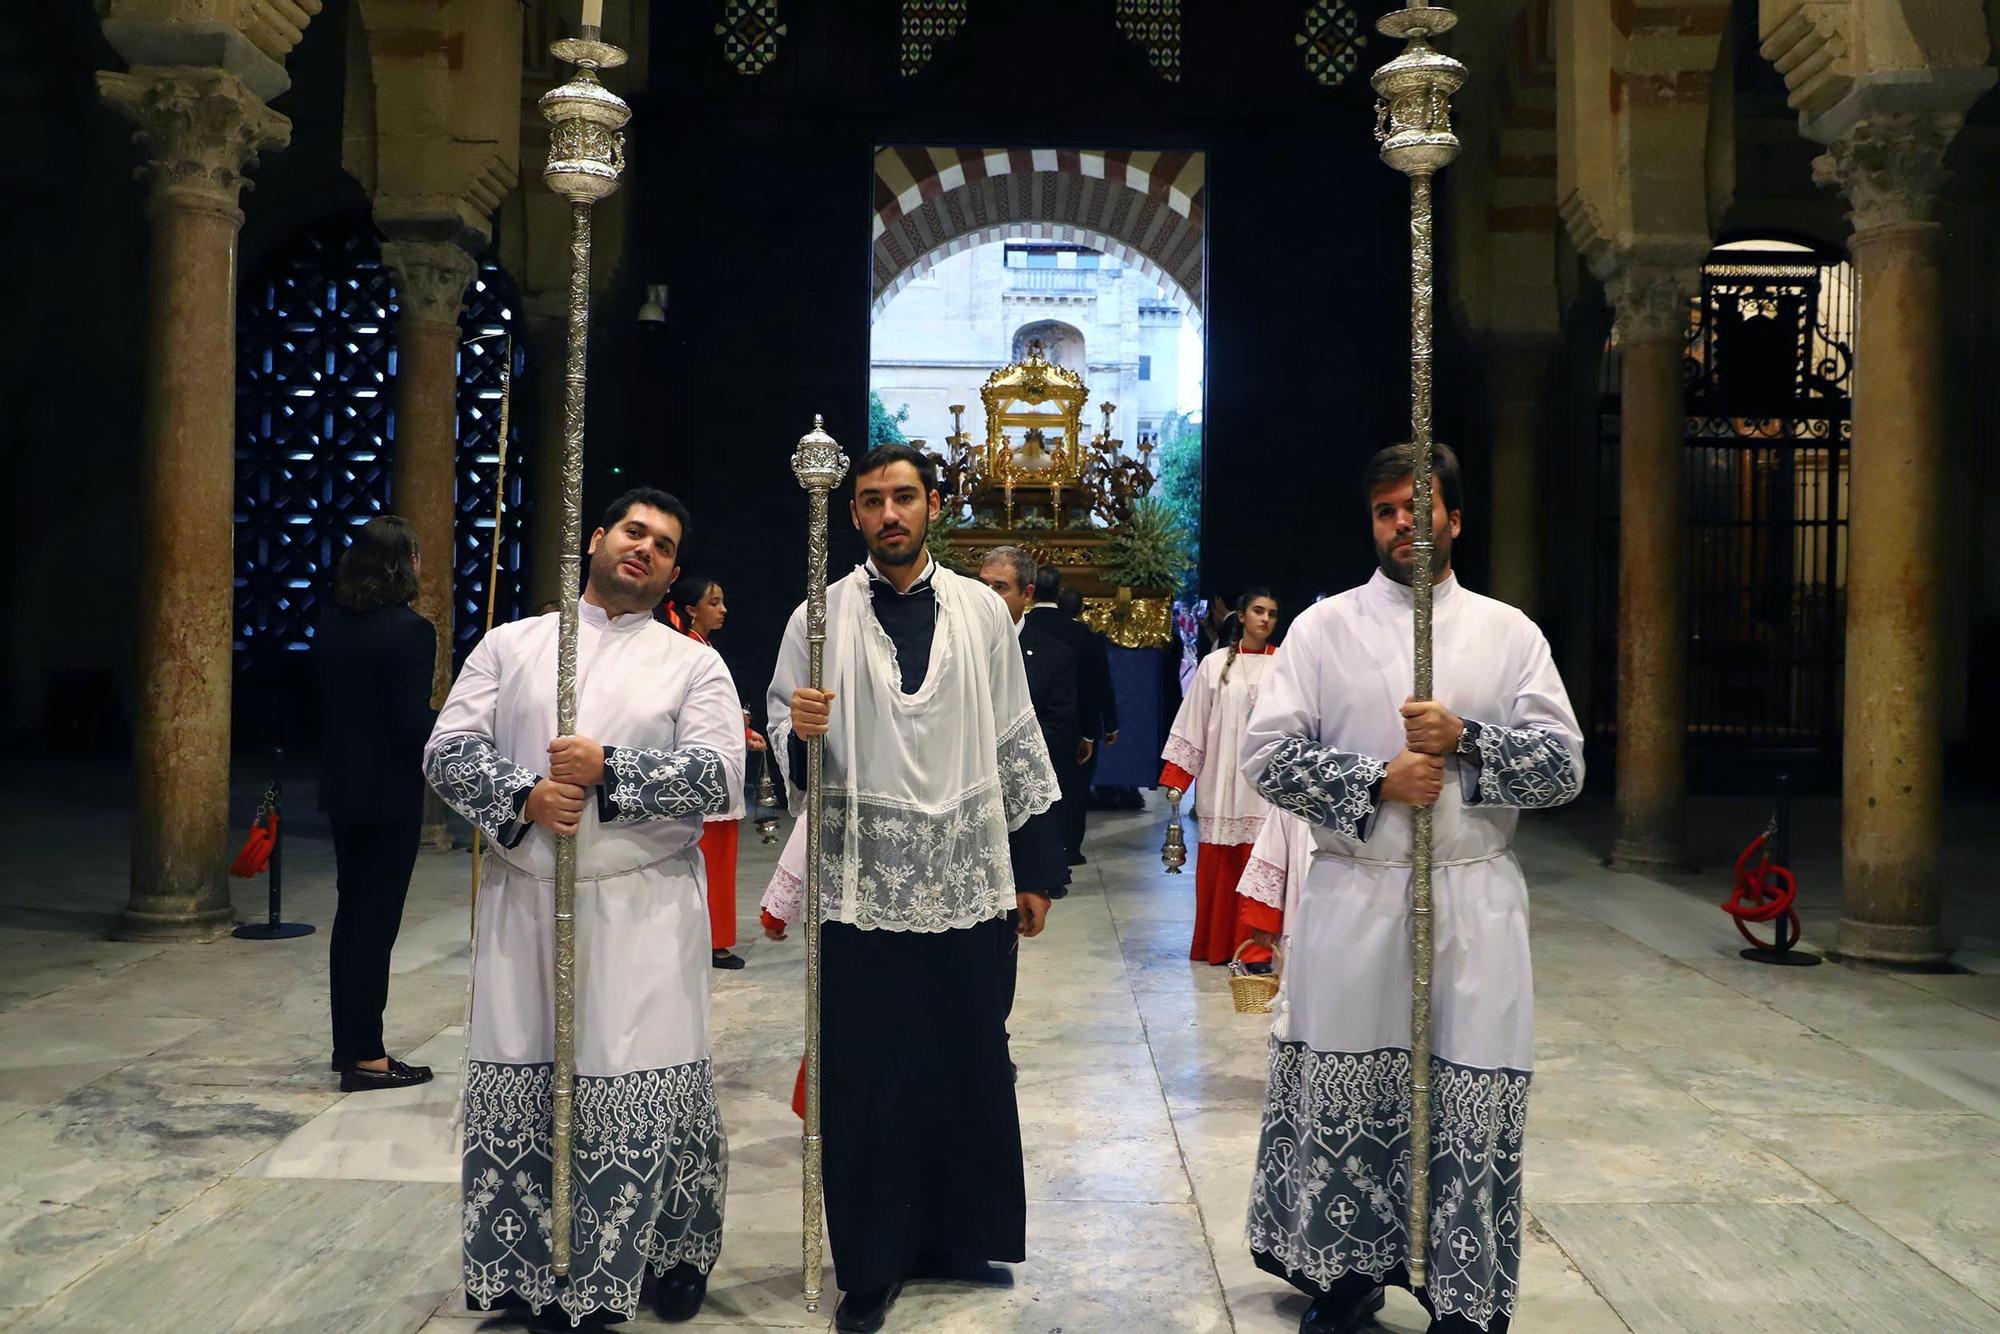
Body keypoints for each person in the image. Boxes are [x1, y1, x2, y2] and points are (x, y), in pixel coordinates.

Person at [1238, 444, 1582, 1334]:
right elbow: (1266, 757)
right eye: (1387, 510)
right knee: (1351, 1088)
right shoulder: (1323, 629)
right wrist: (1376, 782)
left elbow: (1564, 769)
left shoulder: (1511, 634)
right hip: (1358, 896)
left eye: (1419, 508)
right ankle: (1347, 1278)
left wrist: (1468, 738)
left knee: (1469, 1089)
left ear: (1455, 520)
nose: (1403, 525)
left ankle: (1462, 1295)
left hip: (1474, 902)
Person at [424, 488, 742, 1330]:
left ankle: (664, 1256)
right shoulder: (513, 644)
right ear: (598, 539)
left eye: (665, 546)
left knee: (645, 1082)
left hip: (643, 910)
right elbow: (447, 750)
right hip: (525, 904)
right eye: (634, 531)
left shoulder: (692, 663)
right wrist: (525, 796)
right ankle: (527, 1271)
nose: (646, 549)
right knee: (526, 1077)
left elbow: (721, 777)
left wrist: (611, 770)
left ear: (672, 570)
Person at [762, 443, 1061, 1333]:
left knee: (967, 1053)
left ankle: (956, 1234)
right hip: (861, 880)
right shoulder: (815, 618)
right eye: (869, 502)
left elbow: (1017, 736)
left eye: (903, 498)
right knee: (867, 1072)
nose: (888, 514)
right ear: (851, 515)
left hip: (968, 874)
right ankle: (872, 1259)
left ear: (934, 505)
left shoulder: (978, 609)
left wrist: (1036, 869)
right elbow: (787, 733)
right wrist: (800, 730)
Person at [315, 515, 439, 1092]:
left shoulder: (333, 624)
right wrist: (464, 724)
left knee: (352, 921)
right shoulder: (411, 631)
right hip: (388, 797)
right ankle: (366, 1059)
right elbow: (411, 723)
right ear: (405, 563)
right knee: (374, 926)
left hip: (342, 790)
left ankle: (352, 1047)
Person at [1158, 587, 1283, 968]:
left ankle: (1257, 950)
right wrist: (1178, 774)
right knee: (1221, 868)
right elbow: (1194, 719)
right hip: (1222, 782)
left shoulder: (1286, 665)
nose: (1265, 619)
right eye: (1258, 611)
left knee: (1263, 868)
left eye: (1272, 613)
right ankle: (1216, 945)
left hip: (1266, 789)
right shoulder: (1214, 665)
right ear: (1241, 616)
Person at [980, 546, 1077, 1021]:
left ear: (1027, 595)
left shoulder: (1054, 655)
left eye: (1000, 587)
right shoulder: (955, 646)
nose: (989, 596)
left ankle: (996, 1043)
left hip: (1016, 808)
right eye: (983, 585)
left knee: (1002, 941)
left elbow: (1058, 734)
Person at [663, 573, 765, 970]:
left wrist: (743, 732)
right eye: (714, 602)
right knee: (710, 859)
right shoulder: (684, 651)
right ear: (691, 609)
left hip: (716, 766)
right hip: (699, 771)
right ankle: (711, 939)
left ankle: (712, 936)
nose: (723, 609)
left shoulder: (700, 647)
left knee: (717, 858)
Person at [1025, 578, 1117, 864]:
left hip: (1025, 722)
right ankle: (1070, 848)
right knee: (1073, 789)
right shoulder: (1085, 636)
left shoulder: (1023, 628)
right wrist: (1098, 729)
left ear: (1031, 591)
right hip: (1073, 728)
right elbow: (1098, 684)